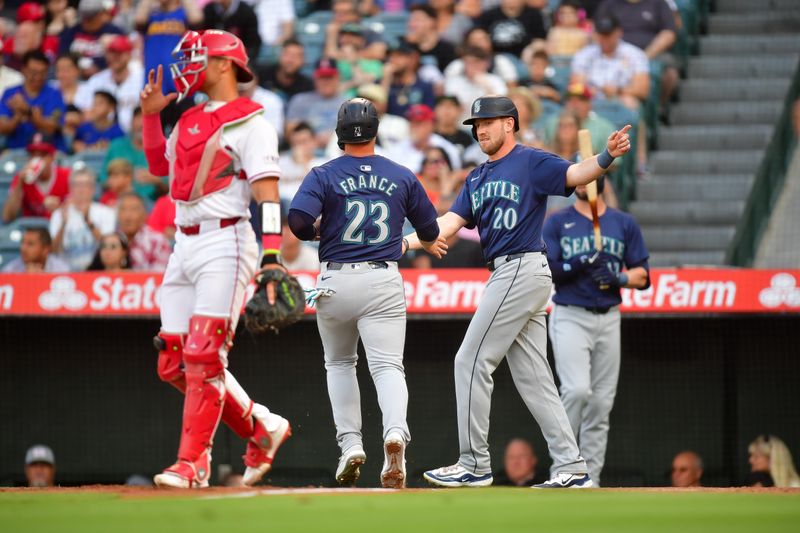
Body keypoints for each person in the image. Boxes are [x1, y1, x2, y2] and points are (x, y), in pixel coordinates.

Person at [403, 95, 632, 488]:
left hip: (521, 267)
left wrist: (606, 157)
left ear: (509, 123)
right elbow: (450, 222)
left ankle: (474, 462)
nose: (480, 129)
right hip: (510, 273)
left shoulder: (531, 160)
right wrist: (408, 243)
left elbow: (578, 174)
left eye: (487, 122)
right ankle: (571, 465)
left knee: (470, 360)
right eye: (476, 125)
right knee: (535, 379)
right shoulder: (476, 177)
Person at [141, 29, 291, 489]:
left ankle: (193, 464)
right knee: (174, 364)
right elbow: (158, 167)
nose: (188, 66)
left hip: (226, 241)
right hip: (183, 243)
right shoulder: (187, 117)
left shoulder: (254, 122)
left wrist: (271, 256)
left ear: (225, 64)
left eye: (198, 57)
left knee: (205, 355)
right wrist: (151, 117)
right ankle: (261, 427)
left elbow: (267, 195)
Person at [288, 98, 444, 488]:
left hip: (335, 280)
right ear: (376, 130)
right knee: (388, 367)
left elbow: (297, 221)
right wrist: (413, 241)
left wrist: (318, 231)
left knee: (340, 364)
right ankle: (395, 433)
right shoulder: (401, 174)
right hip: (382, 279)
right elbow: (430, 231)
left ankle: (351, 444)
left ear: (340, 134)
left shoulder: (323, 173)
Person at [544, 175, 650, 487]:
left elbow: (643, 275)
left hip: (609, 314)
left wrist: (619, 278)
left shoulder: (623, 223)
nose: (584, 180)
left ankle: (591, 479)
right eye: (580, 172)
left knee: (601, 402)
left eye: (590, 172)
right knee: (577, 390)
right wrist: (581, 262)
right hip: (570, 313)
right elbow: (547, 268)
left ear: (602, 176)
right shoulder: (557, 221)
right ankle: (564, 469)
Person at [570, 15, 650, 111]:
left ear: (619, 32)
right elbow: (576, 85)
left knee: (630, 102)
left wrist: (617, 90)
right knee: (576, 102)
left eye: (608, 34)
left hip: (620, 97)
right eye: (601, 34)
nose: (604, 38)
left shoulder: (635, 54)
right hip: (591, 99)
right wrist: (589, 91)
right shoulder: (584, 54)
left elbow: (642, 90)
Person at [49, 168, 117, 271]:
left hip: (97, 271)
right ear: (70, 189)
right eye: (77, 185)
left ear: (93, 189)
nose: (81, 189)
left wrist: (88, 221)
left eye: (85, 185)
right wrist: (63, 225)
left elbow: (109, 248)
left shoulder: (106, 213)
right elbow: (54, 251)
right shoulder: (58, 214)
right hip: (66, 273)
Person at [74, 35, 144, 133]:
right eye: (110, 53)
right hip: (104, 137)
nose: (113, 58)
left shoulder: (141, 78)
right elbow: (83, 111)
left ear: (128, 55)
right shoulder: (96, 81)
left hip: (135, 137)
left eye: (118, 54)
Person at [0, 51, 66, 152]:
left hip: (48, 152)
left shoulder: (54, 94)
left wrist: (27, 111)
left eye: (43, 72)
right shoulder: (10, 93)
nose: (38, 77)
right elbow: (3, 128)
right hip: (17, 151)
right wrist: (18, 116)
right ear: (24, 70)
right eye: (33, 72)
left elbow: (50, 128)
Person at [135, 0, 203, 96]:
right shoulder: (151, 15)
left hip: (181, 80)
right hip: (154, 81)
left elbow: (197, 19)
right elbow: (139, 20)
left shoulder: (184, 14)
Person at [100, 107, 166, 202]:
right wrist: (117, 180)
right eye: (138, 118)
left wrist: (157, 180)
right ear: (131, 122)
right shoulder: (116, 146)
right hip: (117, 201)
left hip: (151, 203)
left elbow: (171, 187)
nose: (141, 123)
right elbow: (103, 179)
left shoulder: (164, 148)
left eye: (146, 119)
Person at [2, 137, 70, 223]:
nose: (37, 159)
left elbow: (78, 213)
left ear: (52, 157)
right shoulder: (21, 178)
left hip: (57, 230)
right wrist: (19, 184)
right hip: (31, 231)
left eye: (43, 155)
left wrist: (59, 208)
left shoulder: (66, 175)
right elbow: (7, 216)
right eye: (33, 155)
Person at [285, 58, 346, 148]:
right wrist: (313, 139)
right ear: (315, 78)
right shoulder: (300, 100)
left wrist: (333, 138)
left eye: (329, 77)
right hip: (305, 153)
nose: (325, 82)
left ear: (337, 78)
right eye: (322, 77)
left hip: (337, 153)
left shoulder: (348, 104)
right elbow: (289, 133)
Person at [385, 104, 460, 175]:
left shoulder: (447, 148)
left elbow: (455, 176)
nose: (414, 127)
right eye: (412, 122)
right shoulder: (398, 149)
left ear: (431, 125)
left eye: (419, 123)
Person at [58, 0, 123, 76]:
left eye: (91, 17)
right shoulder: (71, 32)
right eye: (84, 16)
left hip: (104, 75)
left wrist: (99, 65)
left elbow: (120, 57)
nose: (87, 20)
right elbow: (63, 54)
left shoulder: (114, 32)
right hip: (74, 75)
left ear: (101, 14)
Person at [444, 47, 507, 124]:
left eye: (474, 62)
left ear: (485, 63)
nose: (470, 66)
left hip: (487, 124)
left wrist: (485, 85)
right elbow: (451, 107)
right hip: (460, 125)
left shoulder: (495, 81)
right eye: (467, 62)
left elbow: (501, 107)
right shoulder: (454, 82)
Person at [118, 192, 172, 271]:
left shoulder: (157, 241)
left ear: (144, 215)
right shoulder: (112, 239)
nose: (127, 216)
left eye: (133, 210)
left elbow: (160, 275)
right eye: (123, 209)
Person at [382, 39, 436, 119]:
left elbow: (428, 117)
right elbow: (376, 113)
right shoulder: (382, 83)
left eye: (399, 55)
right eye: (391, 55)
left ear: (412, 59)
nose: (393, 60)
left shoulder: (424, 87)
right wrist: (385, 81)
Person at [476, 0, 547, 58]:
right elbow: (479, 37)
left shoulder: (534, 15)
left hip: (524, 60)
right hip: (494, 58)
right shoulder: (488, 16)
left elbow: (540, 41)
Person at [279, 122, 327, 201]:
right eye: (295, 143)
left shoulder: (324, 164)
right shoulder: (281, 162)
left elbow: (320, 189)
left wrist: (303, 163)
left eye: (304, 142)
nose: (299, 146)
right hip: (283, 205)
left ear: (314, 142)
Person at [256, 39, 314, 104]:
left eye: (296, 56)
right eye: (287, 55)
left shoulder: (307, 86)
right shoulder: (262, 76)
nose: (290, 60)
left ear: (303, 60)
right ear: (279, 56)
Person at [406, 4, 457, 75]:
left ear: (432, 22)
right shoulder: (406, 47)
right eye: (410, 20)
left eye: (417, 20)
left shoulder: (447, 49)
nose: (411, 24)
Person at [2, 227, 70, 273]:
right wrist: (24, 277)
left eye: (30, 244)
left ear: (45, 250)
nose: (23, 248)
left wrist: (41, 278)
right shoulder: (12, 269)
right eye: (22, 243)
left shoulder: (61, 269)